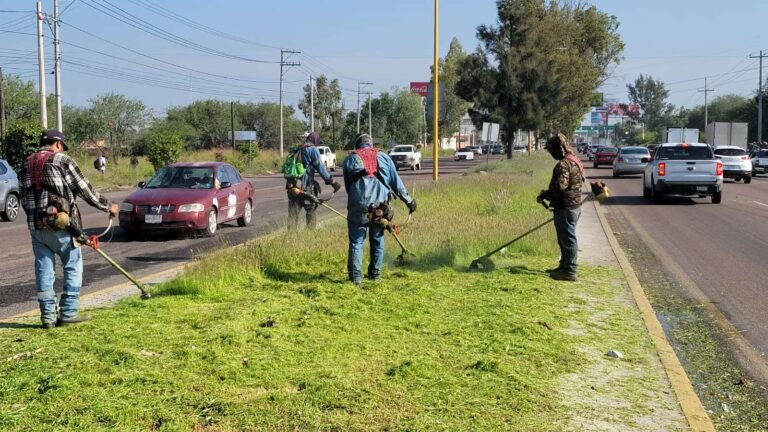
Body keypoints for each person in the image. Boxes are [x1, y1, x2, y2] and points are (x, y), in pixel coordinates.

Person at [19, 130, 119, 329]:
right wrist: (108, 206)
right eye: (62, 146)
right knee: (72, 266)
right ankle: (68, 313)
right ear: (57, 144)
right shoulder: (62, 160)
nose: (62, 149)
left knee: (43, 270)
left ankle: (47, 317)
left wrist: (36, 215)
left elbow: (23, 198)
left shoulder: (26, 163)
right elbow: (85, 189)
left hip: (37, 227)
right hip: (63, 225)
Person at [343, 134, 417, 287]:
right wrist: (409, 201)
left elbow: (348, 186)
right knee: (377, 239)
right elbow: (396, 183)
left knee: (356, 242)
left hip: (359, 206)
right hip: (380, 208)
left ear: (358, 145)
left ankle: (356, 279)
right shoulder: (384, 157)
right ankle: (375, 275)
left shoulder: (350, 159)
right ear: (370, 144)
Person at [537, 133, 584, 282]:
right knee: (563, 238)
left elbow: (560, 187)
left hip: (566, 207)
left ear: (558, 149)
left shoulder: (564, 164)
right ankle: (563, 266)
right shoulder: (574, 160)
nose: (551, 154)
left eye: (551, 150)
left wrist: (545, 195)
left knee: (568, 238)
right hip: (573, 206)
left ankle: (570, 270)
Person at [285, 132, 341, 229]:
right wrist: (332, 181)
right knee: (311, 209)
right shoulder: (312, 149)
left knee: (293, 214)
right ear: (315, 140)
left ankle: (290, 237)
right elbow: (320, 168)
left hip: (292, 186)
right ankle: (310, 233)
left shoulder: (297, 149)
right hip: (305, 186)